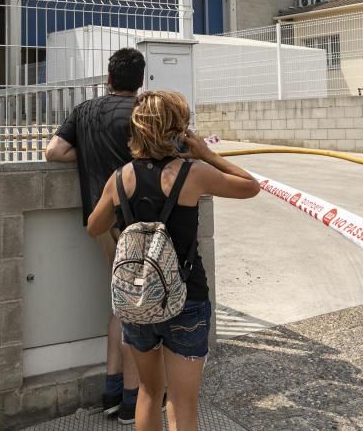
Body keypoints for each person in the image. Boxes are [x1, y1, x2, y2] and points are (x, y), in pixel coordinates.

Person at [87, 90, 260, 431]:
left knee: (150, 393)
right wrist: (207, 153)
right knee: (182, 405)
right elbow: (250, 186)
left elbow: (95, 226)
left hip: (139, 302)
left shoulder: (120, 177)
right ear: (177, 129)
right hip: (186, 299)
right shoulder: (192, 173)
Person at [44, 47, 145, 422]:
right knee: (138, 311)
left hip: (100, 222)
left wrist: (86, 154)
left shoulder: (85, 111)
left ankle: (112, 391)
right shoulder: (142, 113)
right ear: (141, 81)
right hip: (137, 224)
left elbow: (53, 151)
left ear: (108, 77)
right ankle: (132, 401)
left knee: (121, 303)